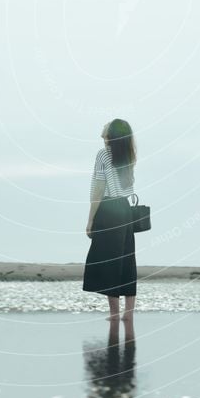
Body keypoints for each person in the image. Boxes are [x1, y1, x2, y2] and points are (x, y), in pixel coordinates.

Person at [82, 119, 137, 322]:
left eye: (105, 133)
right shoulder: (130, 155)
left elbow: (98, 187)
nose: (101, 136)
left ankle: (114, 314)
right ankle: (128, 314)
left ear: (112, 136)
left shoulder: (103, 154)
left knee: (108, 262)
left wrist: (90, 219)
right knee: (127, 260)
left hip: (108, 210)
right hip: (125, 209)